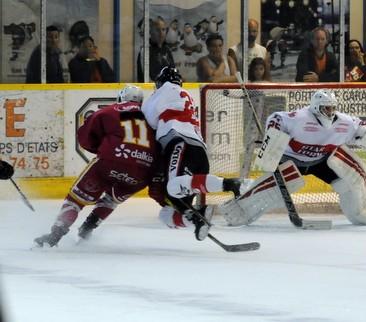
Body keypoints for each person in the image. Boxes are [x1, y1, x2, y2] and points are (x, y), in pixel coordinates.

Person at [221, 89, 366, 227]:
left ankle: (362, 210)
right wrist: (273, 137)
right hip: (290, 160)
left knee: (350, 177)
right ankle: (239, 207)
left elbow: (362, 129)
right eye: (327, 108)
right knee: (281, 185)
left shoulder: (344, 121)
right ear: (316, 107)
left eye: (333, 108)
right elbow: (276, 118)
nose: (330, 112)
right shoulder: (300, 118)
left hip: (321, 161)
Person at [33, 85, 154, 247]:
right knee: (111, 200)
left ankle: (55, 235)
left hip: (111, 161)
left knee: (75, 200)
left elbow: (86, 136)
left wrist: (102, 148)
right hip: (142, 171)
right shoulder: (152, 119)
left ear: (121, 98)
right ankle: (88, 228)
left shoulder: (113, 109)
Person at [141, 67, 241, 241]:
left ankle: (229, 184)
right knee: (170, 211)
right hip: (199, 152)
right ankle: (198, 218)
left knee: (172, 189)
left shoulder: (165, 89)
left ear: (161, 80)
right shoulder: (185, 94)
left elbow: (148, 119)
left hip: (180, 145)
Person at [137, 17, 175, 82]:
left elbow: (173, 73)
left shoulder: (167, 50)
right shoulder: (145, 51)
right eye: (157, 30)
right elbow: (145, 79)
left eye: (163, 29)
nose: (161, 33)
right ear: (151, 32)